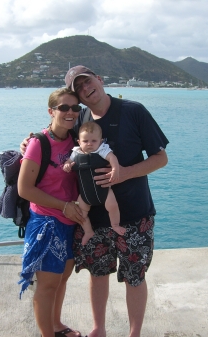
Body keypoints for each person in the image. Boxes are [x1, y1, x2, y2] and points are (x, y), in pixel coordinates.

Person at [21, 66, 169, 337]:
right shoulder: (80, 117)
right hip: (94, 217)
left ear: (100, 81)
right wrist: (31, 140)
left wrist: (124, 173)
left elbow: (161, 158)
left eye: (87, 82)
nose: (85, 89)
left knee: (134, 276)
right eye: (78, 88)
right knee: (97, 273)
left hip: (135, 214)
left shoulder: (134, 111)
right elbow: (59, 137)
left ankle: (134, 334)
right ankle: (98, 329)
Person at [17, 87, 85, 337]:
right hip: (47, 222)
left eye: (75, 108)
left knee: (61, 279)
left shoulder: (77, 139)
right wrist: (64, 206)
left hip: (70, 222)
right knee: (46, 286)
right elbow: (25, 189)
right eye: (64, 108)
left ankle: (56, 325)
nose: (70, 113)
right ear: (51, 111)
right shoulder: (39, 143)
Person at [63, 121, 126, 246]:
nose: (90, 144)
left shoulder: (102, 150)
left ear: (101, 141)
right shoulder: (76, 153)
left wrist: (115, 169)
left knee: (112, 206)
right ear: (79, 142)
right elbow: (68, 161)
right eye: (85, 141)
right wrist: (67, 165)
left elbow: (112, 158)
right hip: (85, 193)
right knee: (81, 214)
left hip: (104, 190)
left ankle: (115, 225)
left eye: (94, 141)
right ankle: (88, 231)